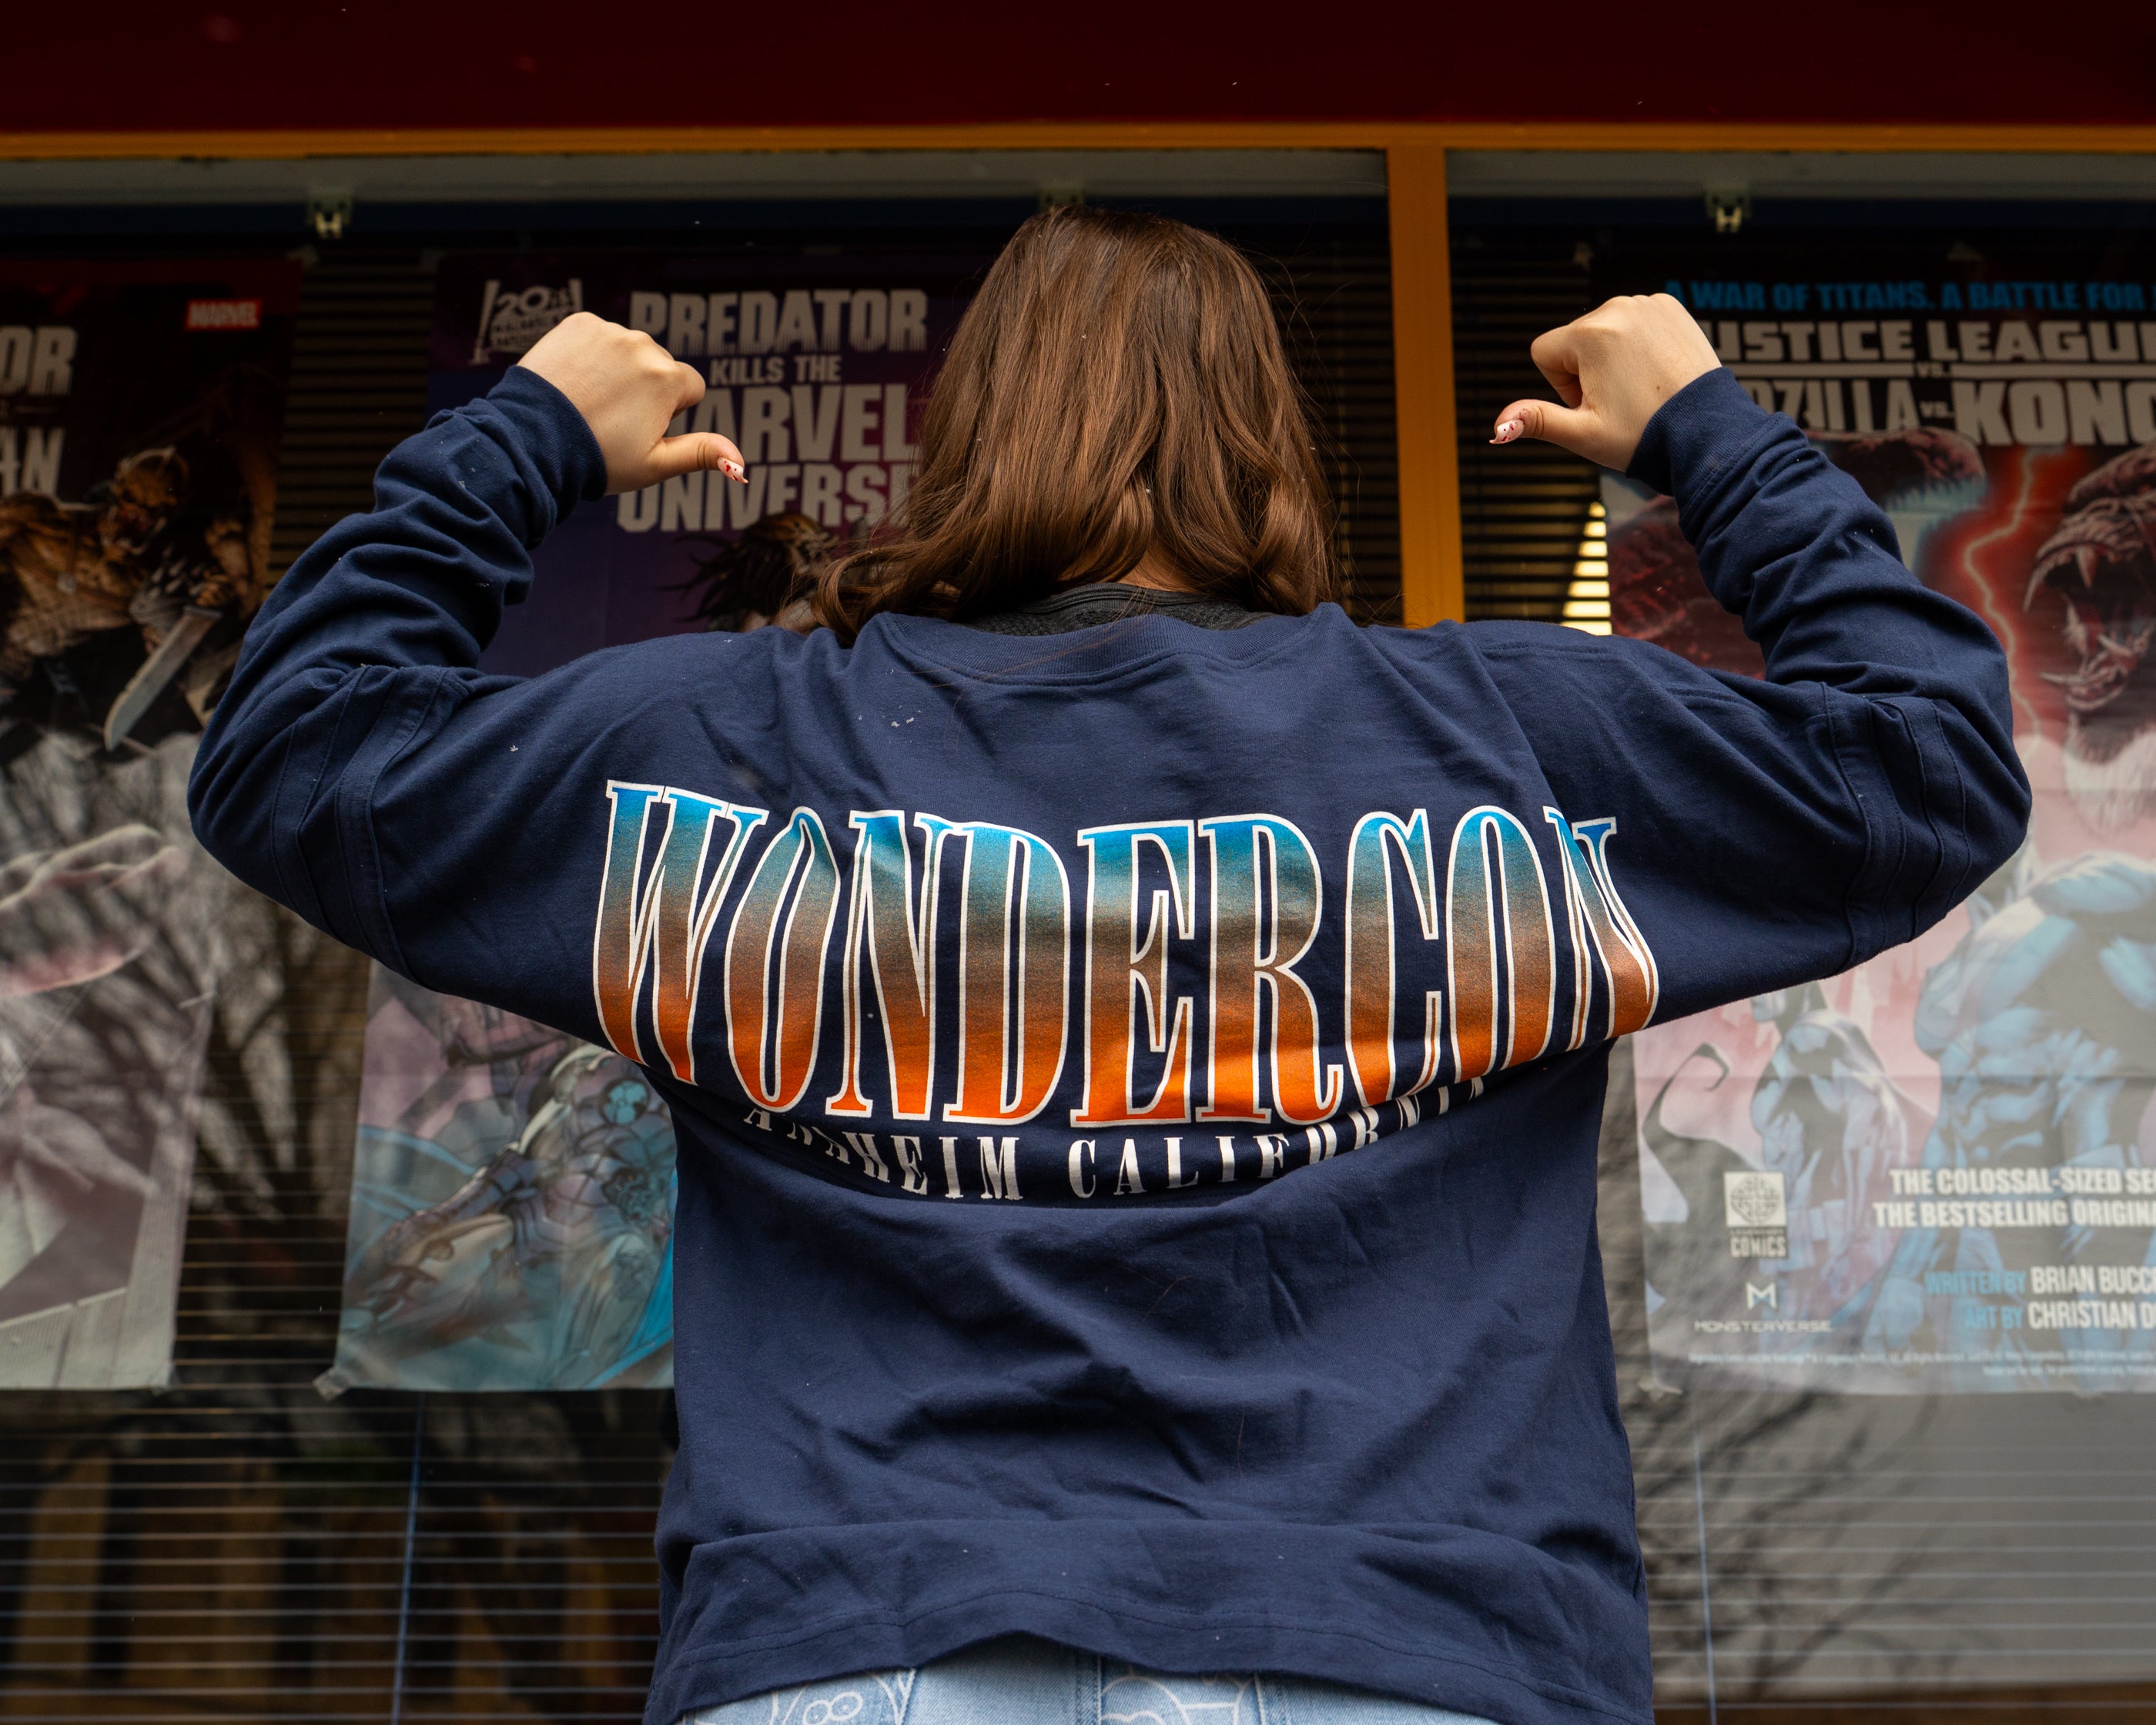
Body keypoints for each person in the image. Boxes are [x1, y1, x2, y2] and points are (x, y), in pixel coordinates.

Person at [188, 208, 2027, 1725]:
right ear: (1269, 437)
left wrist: (520, 436)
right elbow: (1925, 762)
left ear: (967, 434)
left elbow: (291, 750)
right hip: (1411, 1643)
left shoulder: (730, 747)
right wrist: (1707, 433)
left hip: (853, 1646)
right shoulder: (1494, 742)